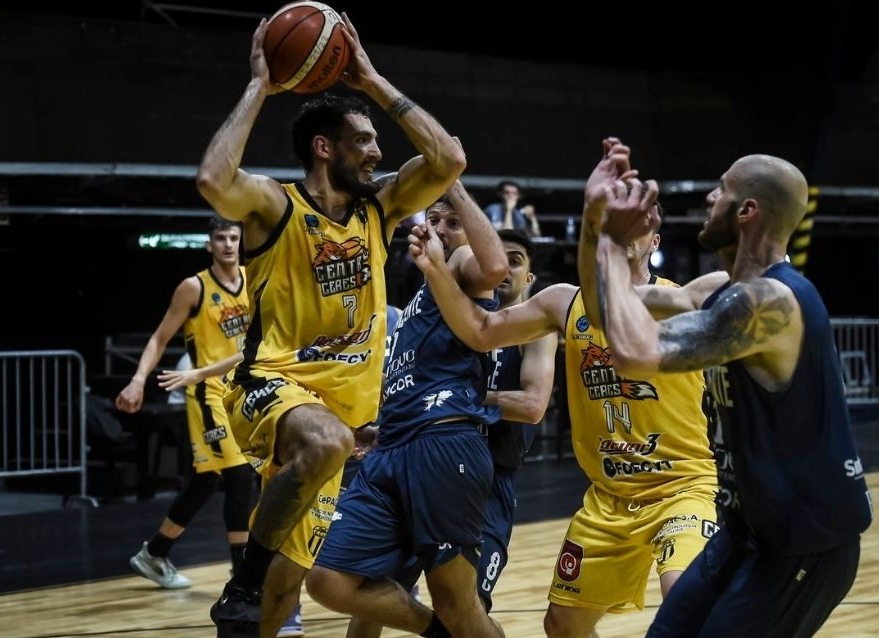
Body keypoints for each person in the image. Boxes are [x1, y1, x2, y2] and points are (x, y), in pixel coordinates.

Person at [197, 9, 466, 638]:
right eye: (364, 140)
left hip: (341, 416)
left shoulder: (380, 208)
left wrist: (370, 79)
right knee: (325, 446)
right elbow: (213, 179)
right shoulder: (274, 205)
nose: (377, 151)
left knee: (286, 585)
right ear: (325, 148)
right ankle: (240, 583)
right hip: (271, 386)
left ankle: (253, 604)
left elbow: (448, 158)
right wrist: (260, 86)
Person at [582, 139, 874, 636]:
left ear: (747, 211)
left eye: (720, 190)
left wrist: (613, 239)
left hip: (804, 544)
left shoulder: (769, 302)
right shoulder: (717, 292)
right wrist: (595, 220)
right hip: (746, 532)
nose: (709, 198)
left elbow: (634, 353)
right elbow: (601, 308)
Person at [408, 199, 719, 636]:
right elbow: (481, 330)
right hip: (609, 497)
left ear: (655, 241)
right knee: (562, 626)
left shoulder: (680, 301)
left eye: (639, 224)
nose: (624, 230)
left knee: (684, 599)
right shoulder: (565, 302)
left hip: (681, 488)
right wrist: (437, 270)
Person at [304, 181, 508, 638]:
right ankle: (438, 633)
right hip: (391, 447)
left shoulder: (459, 264)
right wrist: (382, 426)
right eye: (434, 219)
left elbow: (494, 266)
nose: (442, 229)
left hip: (442, 444)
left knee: (457, 603)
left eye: (453, 222)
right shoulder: (419, 299)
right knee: (328, 578)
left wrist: (453, 184)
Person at [344, 228, 557, 638]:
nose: (504, 269)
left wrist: (456, 395)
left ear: (529, 278)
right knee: (376, 587)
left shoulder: (536, 330)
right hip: (431, 462)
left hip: (489, 479)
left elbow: (533, 406)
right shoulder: (454, 320)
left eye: (515, 261)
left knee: (463, 609)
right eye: (499, 258)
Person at [115, 215, 257, 594]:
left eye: (233, 238)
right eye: (220, 238)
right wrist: (138, 379)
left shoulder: (254, 280)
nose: (228, 244)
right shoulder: (194, 287)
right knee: (240, 474)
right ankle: (242, 574)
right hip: (208, 393)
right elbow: (159, 338)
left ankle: (155, 552)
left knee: (206, 479)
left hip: (244, 390)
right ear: (209, 245)